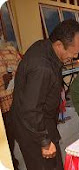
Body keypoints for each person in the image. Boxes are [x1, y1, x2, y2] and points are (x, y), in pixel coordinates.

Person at [11, 20, 79, 170]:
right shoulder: (42, 68)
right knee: (48, 166)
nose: (77, 55)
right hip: (33, 130)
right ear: (59, 45)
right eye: (74, 51)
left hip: (41, 122)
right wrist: (44, 141)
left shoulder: (45, 47)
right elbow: (31, 110)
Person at [0, 41, 21, 170]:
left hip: (17, 103)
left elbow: (23, 69)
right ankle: (12, 162)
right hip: (2, 109)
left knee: (25, 137)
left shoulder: (11, 51)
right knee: (7, 141)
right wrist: (2, 81)